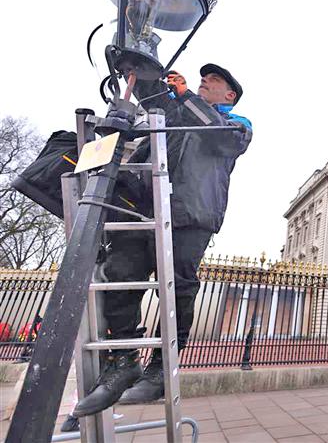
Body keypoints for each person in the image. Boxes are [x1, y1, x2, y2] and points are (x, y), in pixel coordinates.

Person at [73, 64, 252, 416]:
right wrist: (140, 69)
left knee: (177, 286)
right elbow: (153, 106)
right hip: (145, 210)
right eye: (205, 78)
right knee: (120, 276)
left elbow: (221, 138)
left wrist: (185, 96)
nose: (205, 82)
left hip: (192, 216)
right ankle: (123, 359)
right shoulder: (179, 110)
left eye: (214, 81)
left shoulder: (237, 124)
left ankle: (161, 366)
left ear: (229, 95)